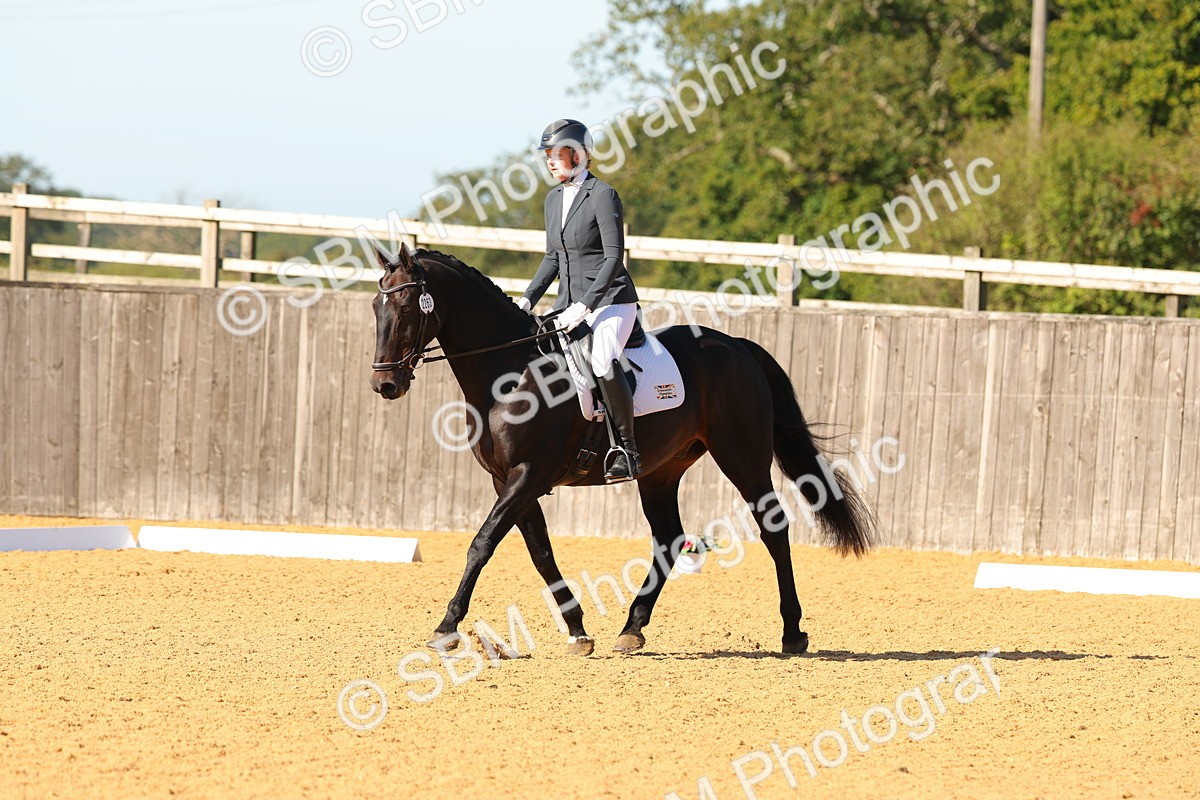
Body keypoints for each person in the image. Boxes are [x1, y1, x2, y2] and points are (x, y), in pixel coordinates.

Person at [517, 118, 642, 482]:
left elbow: (613, 257)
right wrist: (527, 299)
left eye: (556, 155)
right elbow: (553, 257)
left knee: (601, 357)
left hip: (611, 301)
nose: (550, 162)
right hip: (567, 304)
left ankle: (628, 450)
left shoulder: (603, 195)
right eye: (547, 156)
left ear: (578, 155)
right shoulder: (553, 199)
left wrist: (587, 304)